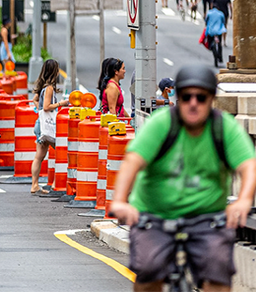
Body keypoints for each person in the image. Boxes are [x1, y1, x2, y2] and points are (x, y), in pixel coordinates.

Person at [108, 65, 256, 292]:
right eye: (186, 97)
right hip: (155, 214)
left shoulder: (222, 128)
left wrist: (244, 200)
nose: (193, 103)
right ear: (178, 98)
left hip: (206, 218)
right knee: (149, 271)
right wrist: (119, 201)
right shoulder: (161, 124)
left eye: (201, 97)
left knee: (218, 274)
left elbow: (249, 165)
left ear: (211, 99)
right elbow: (132, 162)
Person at [29, 60, 69, 194]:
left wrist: (38, 109)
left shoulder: (43, 87)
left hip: (40, 124)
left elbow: (36, 100)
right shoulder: (49, 89)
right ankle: (56, 183)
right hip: (47, 126)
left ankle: (35, 185)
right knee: (63, 151)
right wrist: (61, 104)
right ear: (54, 72)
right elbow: (46, 107)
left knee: (39, 156)